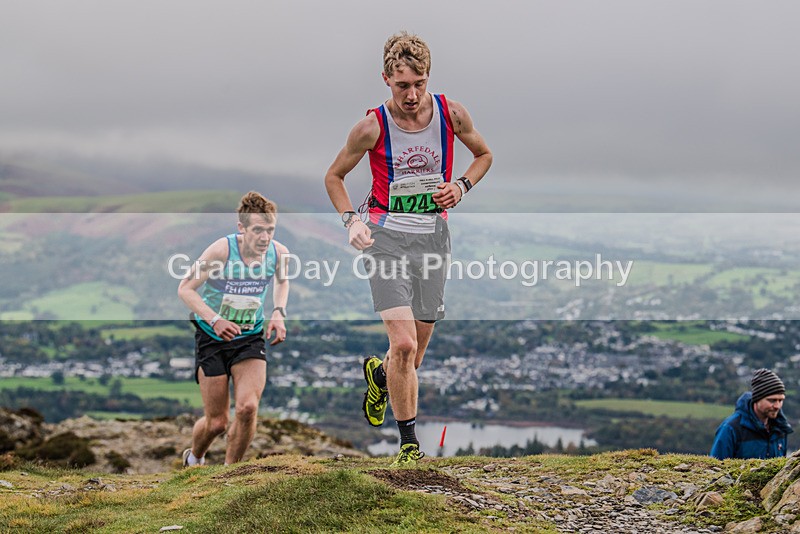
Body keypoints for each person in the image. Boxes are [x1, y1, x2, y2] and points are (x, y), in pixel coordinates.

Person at [324, 31, 492, 466]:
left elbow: (484, 154)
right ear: (385, 79)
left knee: (414, 350)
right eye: (403, 86)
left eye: (419, 83)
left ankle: (380, 377)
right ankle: (409, 446)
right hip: (386, 239)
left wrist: (461, 185)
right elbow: (334, 178)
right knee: (401, 345)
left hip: (433, 237)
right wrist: (351, 221)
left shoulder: (451, 114)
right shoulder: (370, 127)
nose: (413, 94)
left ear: (428, 77)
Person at [177, 191, 290, 466]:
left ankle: (230, 473)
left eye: (270, 230)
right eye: (258, 230)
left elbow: (282, 282)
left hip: (249, 337)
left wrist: (278, 311)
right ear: (242, 228)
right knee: (217, 422)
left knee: (248, 408)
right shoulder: (222, 251)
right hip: (212, 337)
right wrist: (216, 319)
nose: (265, 238)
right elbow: (185, 289)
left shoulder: (279, 253)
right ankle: (195, 457)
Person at [711, 368, 793, 460]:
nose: (777, 406)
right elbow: (715, 467)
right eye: (772, 400)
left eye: (781, 400)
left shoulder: (781, 428)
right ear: (757, 399)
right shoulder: (730, 428)